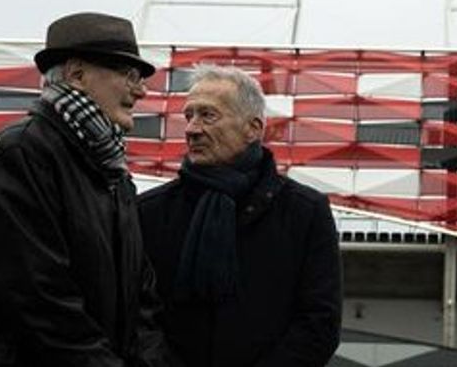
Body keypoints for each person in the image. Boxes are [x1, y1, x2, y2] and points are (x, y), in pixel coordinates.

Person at [0, 12, 179, 366]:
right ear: (77, 75)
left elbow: (141, 298)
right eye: (128, 74)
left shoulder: (114, 174)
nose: (141, 90)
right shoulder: (23, 154)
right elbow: (40, 302)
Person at [138, 65, 342, 367]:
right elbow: (137, 315)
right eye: (189, 115)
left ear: (253, 128)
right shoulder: (150, 211)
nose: (192, 129)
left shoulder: (305, 212)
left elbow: (319, 323)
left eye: (208, 115)